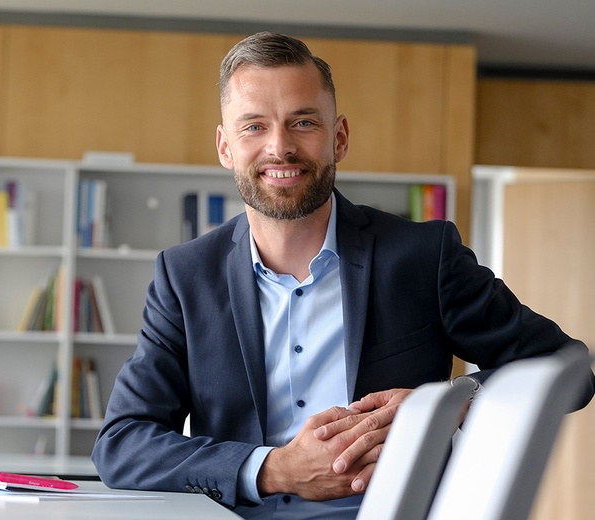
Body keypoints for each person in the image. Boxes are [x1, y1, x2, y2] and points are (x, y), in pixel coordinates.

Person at [91, 31, 594, 519]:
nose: (279, 147)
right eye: (254, 126)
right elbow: (122, 444)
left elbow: (567, 366)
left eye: (303, 122)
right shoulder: (185, 276)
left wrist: (452, 401)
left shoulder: (423, 255)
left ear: (340, 137)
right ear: (225, 148)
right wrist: (274, 469)